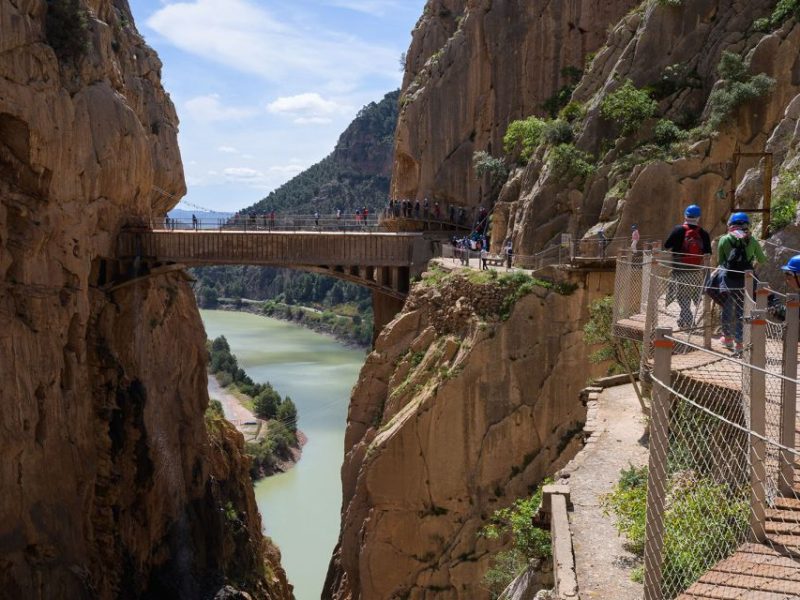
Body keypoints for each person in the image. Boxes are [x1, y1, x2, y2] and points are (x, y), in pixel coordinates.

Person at [717, 212, 766, 352]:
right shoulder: (752, 240)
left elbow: (721, 261)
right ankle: (739, 343)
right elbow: (762, 260)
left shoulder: (724, 239)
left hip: (729, 279)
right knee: (741, 310)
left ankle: (727, 339)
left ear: (731, 224)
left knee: (727, 307)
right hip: (747, 280)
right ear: (747, 225)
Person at [664, 204, 712, 330]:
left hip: (680, 270)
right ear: (698, 217)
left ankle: (690, 323)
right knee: (688, 296)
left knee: (682, 296)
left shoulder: (678, 230)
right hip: (696, 270)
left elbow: (667, 245)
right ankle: (682, 320)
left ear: (686, 215)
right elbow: (708, 253)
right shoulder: (703, 233)